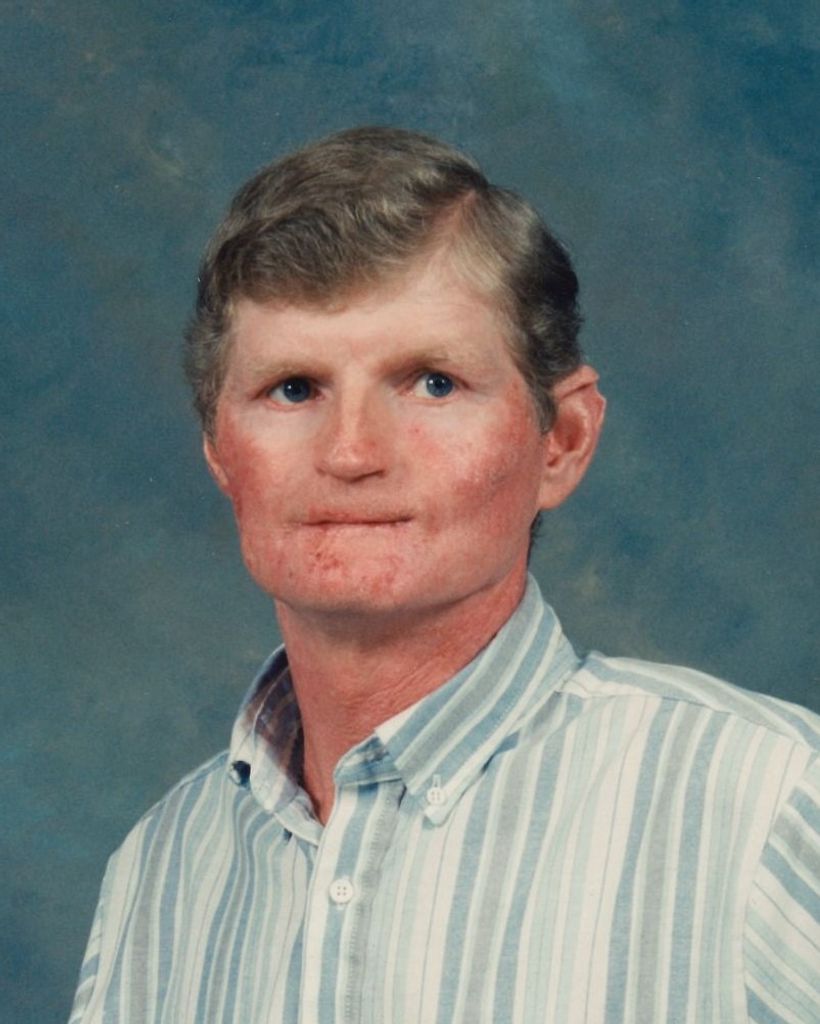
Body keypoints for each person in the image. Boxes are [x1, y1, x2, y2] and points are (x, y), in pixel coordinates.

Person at [69, 126, 820, 1023]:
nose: (351, 453)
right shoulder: (156, 876)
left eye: (432, 382)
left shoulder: (770, 804)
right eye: (294, 388)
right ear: (220, 453)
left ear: (562, 440)